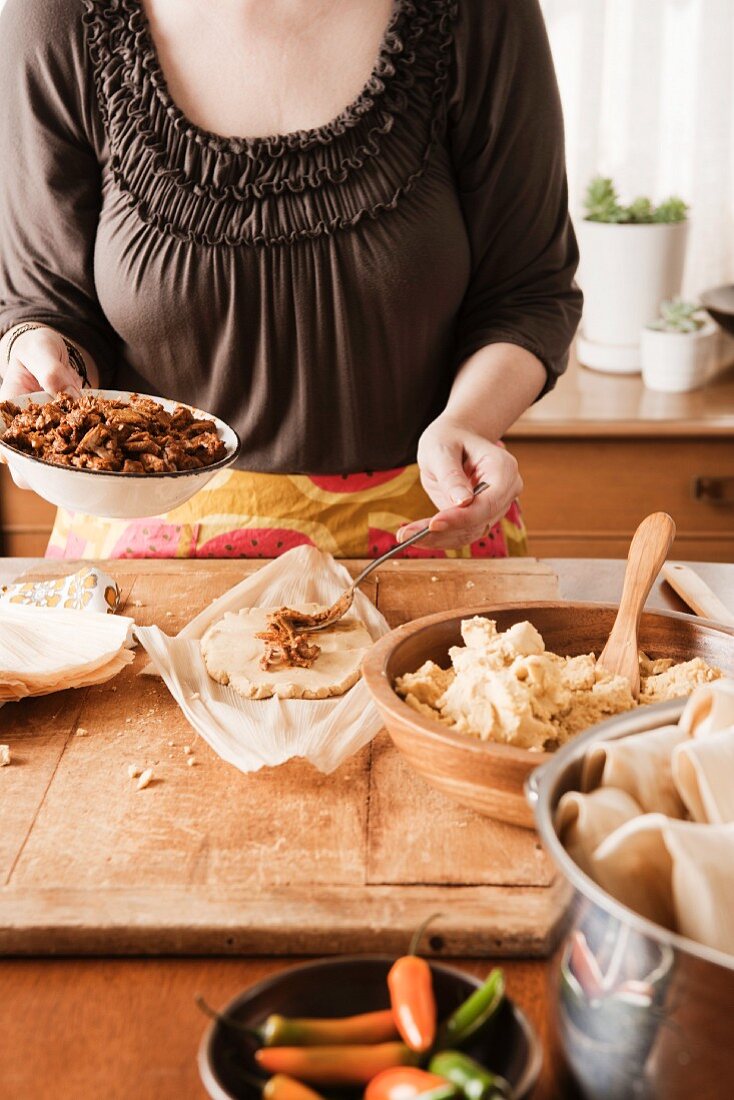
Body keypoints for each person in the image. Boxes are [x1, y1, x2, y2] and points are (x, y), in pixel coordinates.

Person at [0, 0, 581, 561]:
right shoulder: (59, 13)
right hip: (142, 563)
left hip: (421, 539)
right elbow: (49, 302)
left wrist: (468, 423)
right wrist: (43, 359)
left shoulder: (480, 11)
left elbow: (527, 293)